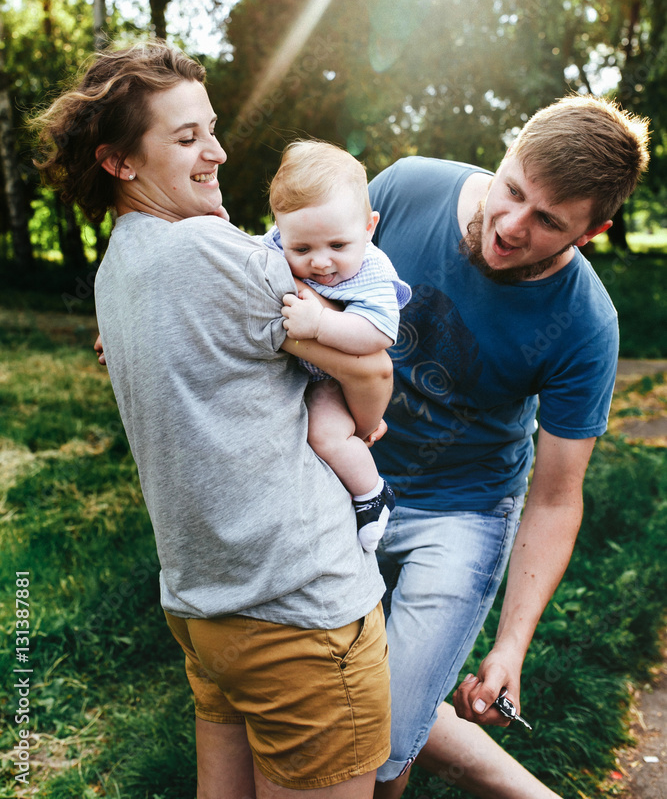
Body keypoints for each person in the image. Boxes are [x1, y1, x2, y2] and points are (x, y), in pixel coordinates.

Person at [33, 40, 393, 799]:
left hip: (207, 608)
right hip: (299, 608)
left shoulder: (119, 267)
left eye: (212, 129)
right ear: (119, 162)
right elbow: (371, 364)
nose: (217, 152)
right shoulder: (211, 251)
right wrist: (364, 426)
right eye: (186, 136)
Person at [366, 95, 650, 799]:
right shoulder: (406, 187)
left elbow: (556, 499)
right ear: (506, 152)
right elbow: (293, 263)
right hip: (342, 477)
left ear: (590, 233)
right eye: (512, 189)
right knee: (324, 691)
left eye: (547, 220)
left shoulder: (586, 324)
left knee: (383, 737)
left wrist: (509, 647)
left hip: (461, 510)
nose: (509, 225)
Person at [264, 140, 411, 551]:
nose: (321, 262)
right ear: (279, 232)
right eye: (302, 249)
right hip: (294, 375)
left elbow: (379, 334)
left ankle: (372, 495)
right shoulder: (271, 247)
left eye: (337, 246)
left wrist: (321, 322)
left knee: (325, 435)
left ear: (368, 227)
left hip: (336, 382)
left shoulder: (372, 269)